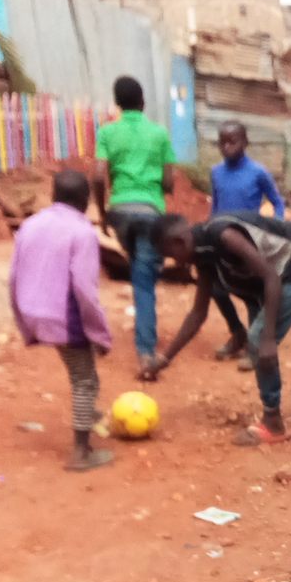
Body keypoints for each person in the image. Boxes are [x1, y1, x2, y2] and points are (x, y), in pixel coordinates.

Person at [140, 211, 291, 445]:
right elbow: (198, 314)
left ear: (179, 242)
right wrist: (163, 360)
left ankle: (273, 423)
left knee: (259, 338)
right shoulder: (204, 257)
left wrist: (268, 337)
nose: (173, 261)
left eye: (170, 254)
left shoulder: (223, 236)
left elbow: (271, 277)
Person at [9, 169, 113, 472]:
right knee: (85, 379)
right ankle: (81, 452)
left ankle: (87, 416)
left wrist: (23, 321)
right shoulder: (82, 232)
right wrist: (100, 333)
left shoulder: (30, 224)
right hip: (64, 315)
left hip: (31, 309)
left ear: (53, 195)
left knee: (80, 370)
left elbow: (13, 275)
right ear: (86, 200)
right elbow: (84, 288)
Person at [93, 75, 176, 374]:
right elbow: (169, 182)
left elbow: (98, 176)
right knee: (144, 282)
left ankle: (130, 332)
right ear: (143, 102)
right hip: (151, 212)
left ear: (117, 103)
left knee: (136, 266)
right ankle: (146, 353)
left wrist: (103, 213)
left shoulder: (107, 132)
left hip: (120, 212)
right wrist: (157, 186)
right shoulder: (159, 133)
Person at [209, 121, 286, 362]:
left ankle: (254, 348)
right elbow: (215, 206)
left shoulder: (258, 172)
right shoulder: (216, 172)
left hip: (248, 242)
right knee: (216, 289)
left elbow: (277, 202)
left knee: (251, 295)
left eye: (232, 141)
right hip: (222, 240)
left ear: (245, 142)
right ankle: (237, 332)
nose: (226, 147)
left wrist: (274, 227)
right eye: (222, 142)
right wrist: (210, 229)